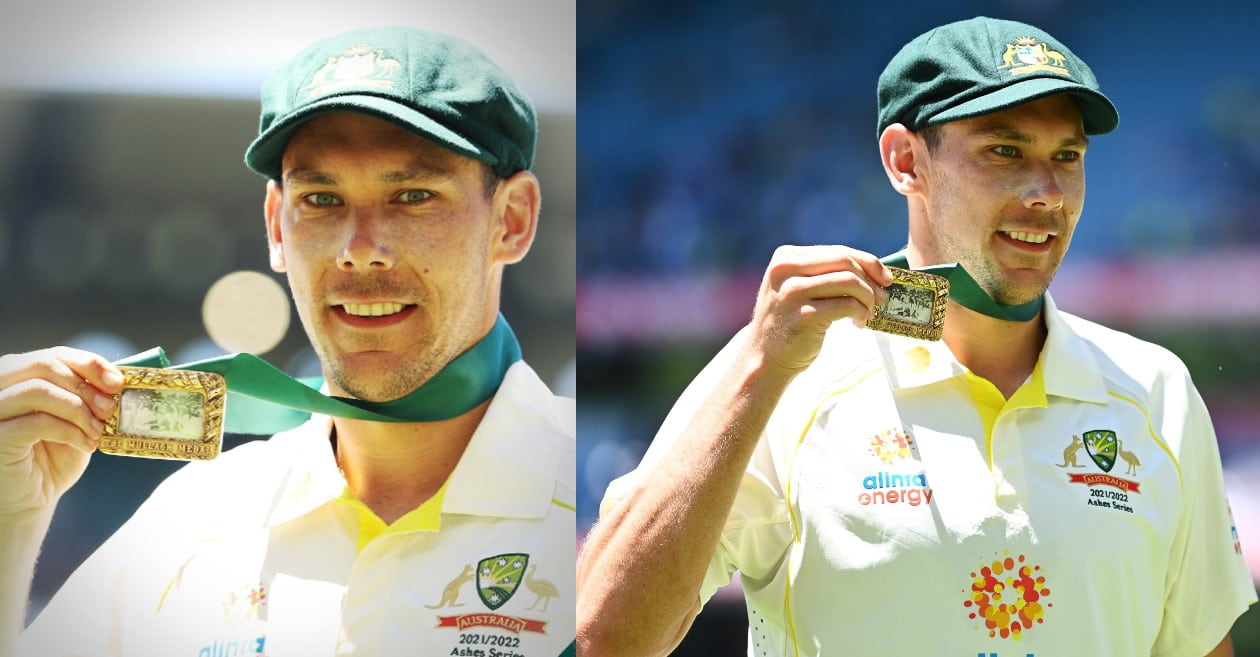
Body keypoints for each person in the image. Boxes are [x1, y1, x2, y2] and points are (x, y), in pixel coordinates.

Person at [577, 16, 1256, 657]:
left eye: (1068, 155)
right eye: (1005, 150)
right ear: (905, 161)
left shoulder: (1155, 388)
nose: (1047, 190)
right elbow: (606, 635)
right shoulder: (784, 372)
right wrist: (760, 370)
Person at [1, 26, 575, 657]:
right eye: (322, 200)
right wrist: (12, 519)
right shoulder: (192, 519)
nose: (360, 250)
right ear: (277, 226)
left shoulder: (611, 506)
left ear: (512, 220)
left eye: (414, 196)